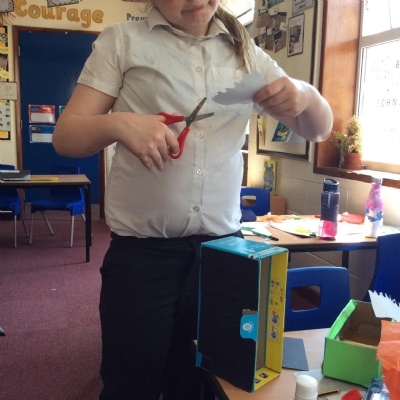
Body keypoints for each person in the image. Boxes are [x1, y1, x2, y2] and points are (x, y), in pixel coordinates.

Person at [52, 1, 333, 399]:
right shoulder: (123, 41)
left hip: (224, 257)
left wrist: (305, 95)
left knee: (204, 382)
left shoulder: (247, 53)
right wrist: (119, 123)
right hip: (143, 258)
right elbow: (65, 137)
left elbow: (319, 130)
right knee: (130, 382)